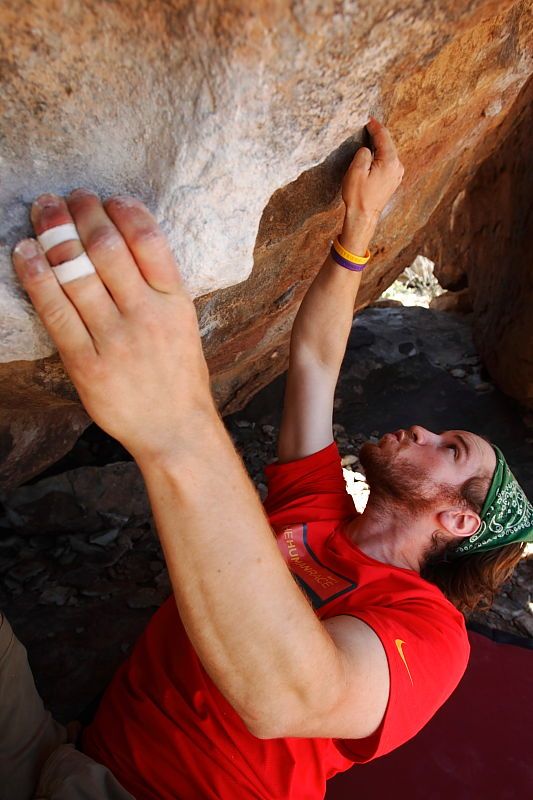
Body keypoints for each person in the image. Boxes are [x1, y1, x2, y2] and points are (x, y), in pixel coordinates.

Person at [4, 117, 532, 800]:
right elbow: (315, 361)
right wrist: (359, 228)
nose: (425, 430)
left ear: (458, 520)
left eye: (449, 449)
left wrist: (176, 424)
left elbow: (286, 696)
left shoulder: (427, 634)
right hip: (63, 756)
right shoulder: (315, 511)